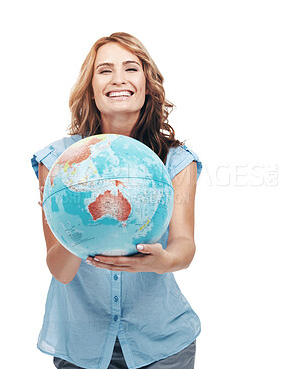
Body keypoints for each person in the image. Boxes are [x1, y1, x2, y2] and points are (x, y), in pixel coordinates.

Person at [31, 32, 203, 369]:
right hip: (81, 348)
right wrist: (71, 222)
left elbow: (185, 247)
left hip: (163, 346)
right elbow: (60, 271)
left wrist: (162, 261)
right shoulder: (59, 163)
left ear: (147, 85)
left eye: (131, 68)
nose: (119, 79)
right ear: (91, 89)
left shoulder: (177, 160)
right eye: (105, 70)